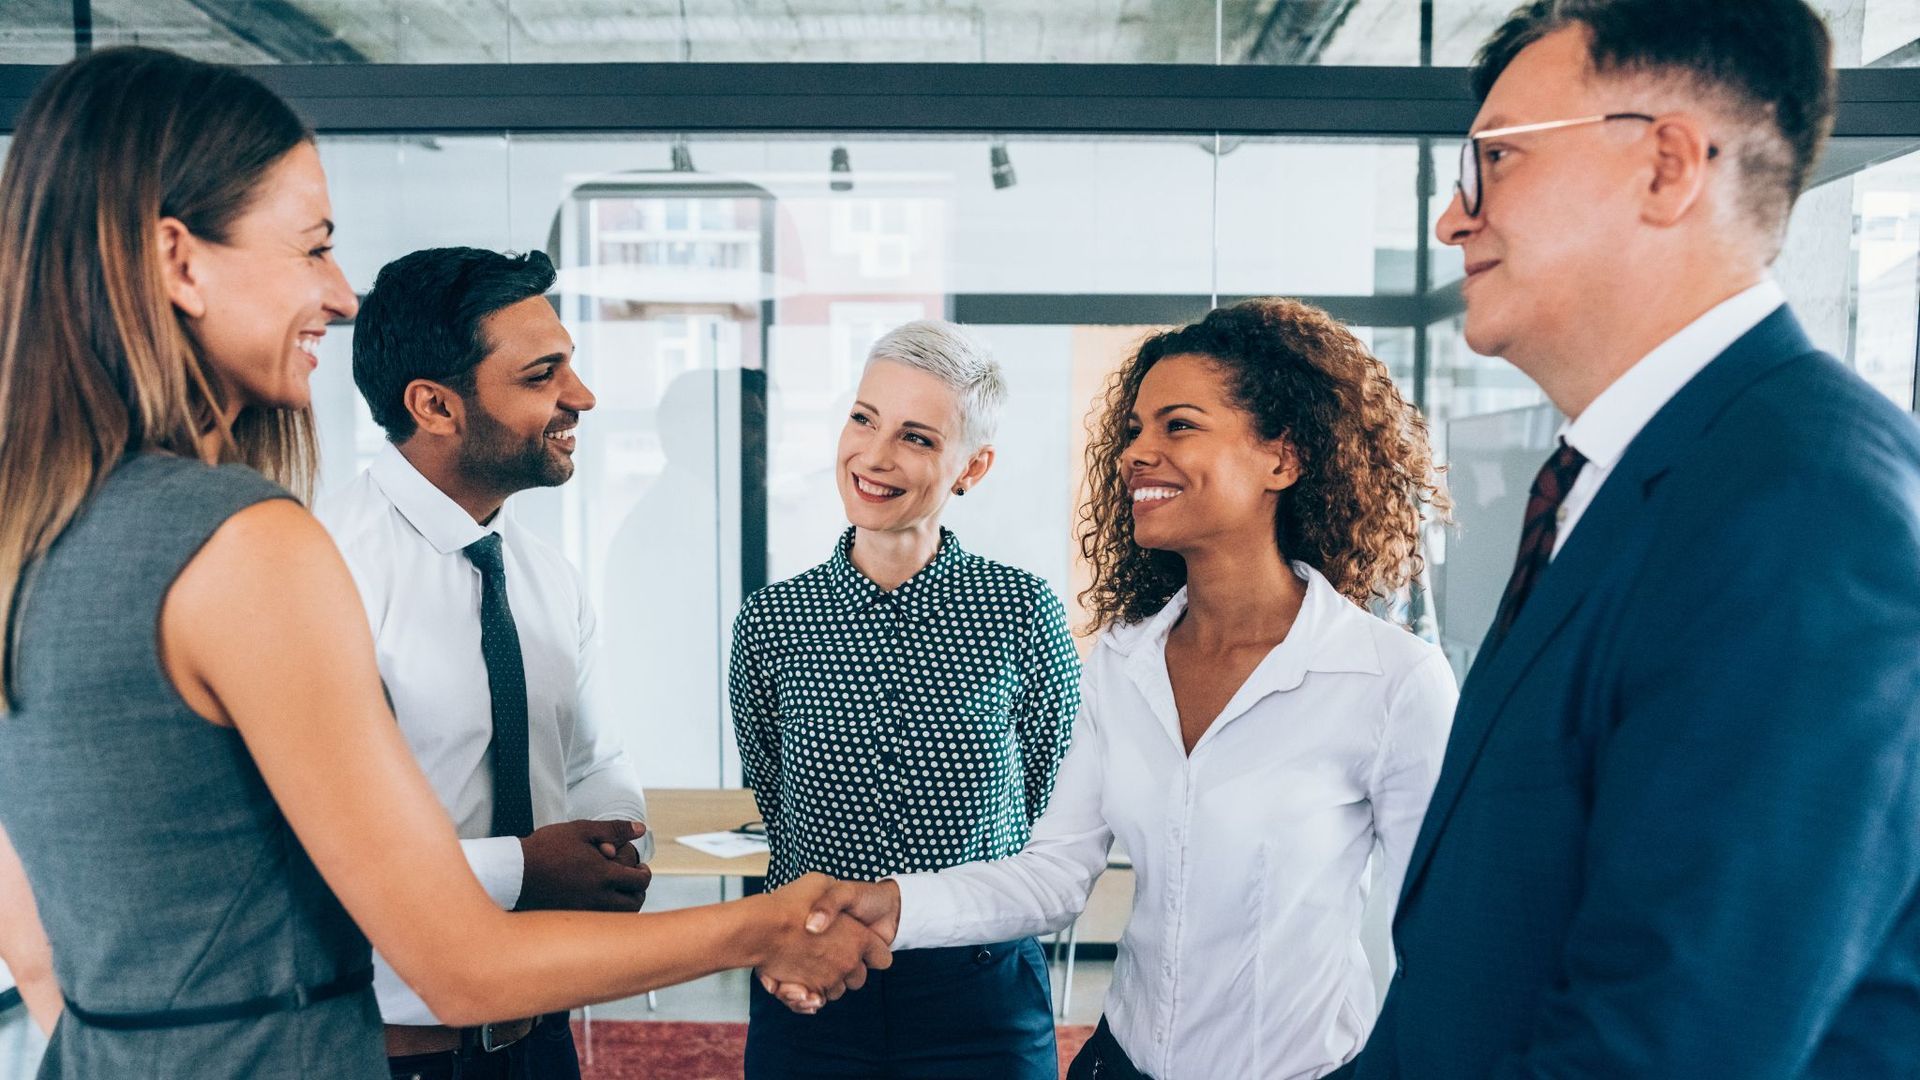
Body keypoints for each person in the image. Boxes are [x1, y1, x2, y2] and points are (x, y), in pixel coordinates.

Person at [0, 46, 886, 1078]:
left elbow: (33, 945)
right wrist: (765, 927)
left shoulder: (37, 531)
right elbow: (460, 965)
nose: (337, 295)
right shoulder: (246, 543)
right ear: (179, 262)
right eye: (313, 248)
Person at [1334, 2, 1920, 1077]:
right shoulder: (1626, 480)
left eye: (1495, 161)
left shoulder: (1804, 505)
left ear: (1666, 168)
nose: (1452, 221)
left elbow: (1673, 1039)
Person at [785, 299, 1459, 1079]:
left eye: (1178, 426)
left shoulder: (1390, 681)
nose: (1137, 453)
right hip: (1117, 1066)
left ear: (1283, 457)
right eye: (1135, 429)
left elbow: (1445, 938)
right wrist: (889, 902)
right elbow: (1052, 876)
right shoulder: (1123, 660)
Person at [317, 246, 656, 1079]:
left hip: (539, 1040)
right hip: (391, 1055)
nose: (582, 397)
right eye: (544, 375)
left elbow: (592, 756)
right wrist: (525, 872)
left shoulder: (543, 571)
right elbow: (308, 857)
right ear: (434, 405)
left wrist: (606, 847)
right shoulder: (324, 573)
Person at [730, 320, 1080, 1079]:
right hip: (808, 985)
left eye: (918, 438)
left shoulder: (1022, 612)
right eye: (864, 418)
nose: (875, 456)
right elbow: (775, 791)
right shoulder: (773, 620)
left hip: (978, 993)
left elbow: (1055, 798)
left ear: (972, 466)